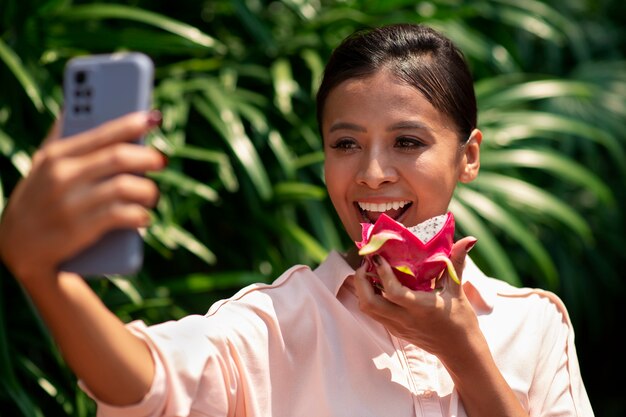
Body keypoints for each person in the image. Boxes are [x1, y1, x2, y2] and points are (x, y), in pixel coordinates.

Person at [0, 23, 593, 417]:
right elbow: (149, 381)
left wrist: (463, 350)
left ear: (468, 156)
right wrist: (47, 278)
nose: (373, 173)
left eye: (408, 141)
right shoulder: (277, 323)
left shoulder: (533, 325)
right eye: (345, 144)